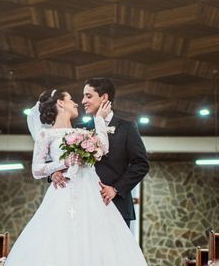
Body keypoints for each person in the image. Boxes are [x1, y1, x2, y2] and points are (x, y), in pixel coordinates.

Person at [3, 88, 177, 266]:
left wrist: (98, 124)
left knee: (97, 252)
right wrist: (60, 166)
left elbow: (102, 150)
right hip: (64, 197)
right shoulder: (46, 135)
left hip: (91, 198)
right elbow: (37, 169)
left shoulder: (84, 133)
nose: (76, 102)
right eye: (71, 99)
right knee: (63, 251)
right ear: (60, 105)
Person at [50, 78, 149, 228]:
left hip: (115, 204)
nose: (83, 101)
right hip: (84, 205)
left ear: (104, 97)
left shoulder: (127, 127)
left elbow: (141, 164)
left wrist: (115, 189)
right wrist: (53, 173)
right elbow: (55, 154)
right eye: (83, 96)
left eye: (88, 96)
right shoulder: (80, 128)